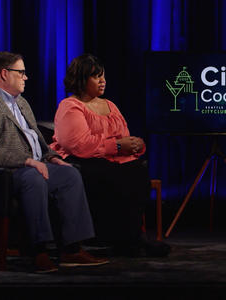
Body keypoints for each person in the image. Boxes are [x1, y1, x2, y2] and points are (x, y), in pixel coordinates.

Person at [0, 51, 109, 273]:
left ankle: (72, 250)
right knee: (34, 178)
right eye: (21, 73)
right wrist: (28, 161)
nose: (26, 77)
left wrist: (52, 158)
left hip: (30, 166)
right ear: (4, 73)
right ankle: (38, 251)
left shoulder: (21, 103)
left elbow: (37, 139)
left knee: (70, 174)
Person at [50, 53, 170, 257]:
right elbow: (78, 145)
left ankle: (133, 237)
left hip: (112, 158)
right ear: (81, 80)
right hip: (81, 160)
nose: (103, 81)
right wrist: (116, 145)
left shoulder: (110, 105)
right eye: (96, 76)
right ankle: (122, 239)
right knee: (114, 175)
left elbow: (123, 136)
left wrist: (135, 145)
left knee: (138, 170)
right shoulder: (70, 106)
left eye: (103, 76)